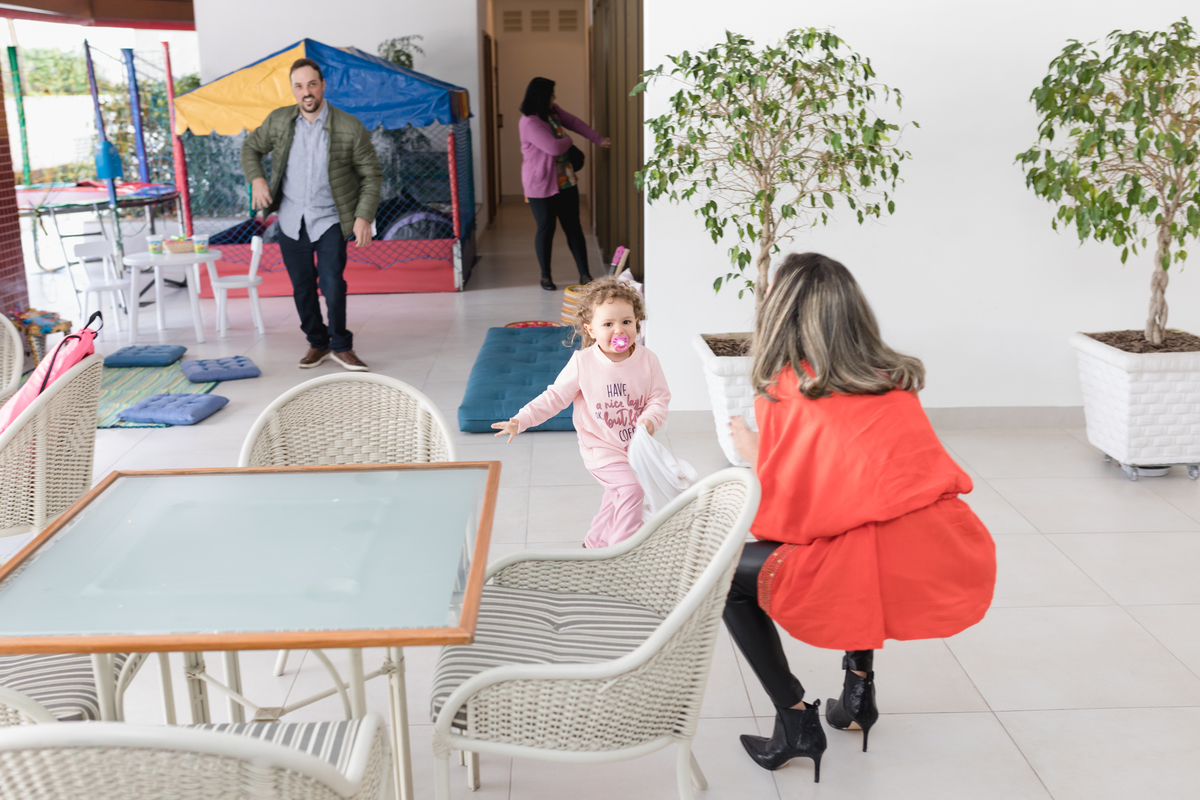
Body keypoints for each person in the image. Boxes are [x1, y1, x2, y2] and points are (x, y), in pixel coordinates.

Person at [725, 253, 996, 782]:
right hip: (936, 549)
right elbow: (867, 486)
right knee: (859, 529)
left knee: (727, 574)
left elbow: (792, 512)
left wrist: (757, 452)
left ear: (782, 311)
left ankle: (795, 721)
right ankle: (856, 694)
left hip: (864, 562)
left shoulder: (786, 387)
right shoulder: (891, 381)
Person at [492, 279, 669, 547]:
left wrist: (650, 419)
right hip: (600, 448)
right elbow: (555, 397)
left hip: (635, 446)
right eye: (608, 324)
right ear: (591, 329)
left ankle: (595, 542)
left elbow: (659, 397)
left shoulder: (648, 359)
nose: (619, 330)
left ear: (637, 323)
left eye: (626, 322)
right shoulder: (583, 363)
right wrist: (522, 420)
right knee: (632, 488)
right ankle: (624, 551)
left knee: (617, 494)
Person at [241, 58, 381, 371]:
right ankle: (317, 343)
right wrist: (257, 179)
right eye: (299, 86)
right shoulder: (279, 121)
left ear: (323, 86)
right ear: (293, 90)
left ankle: (341, 346)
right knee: (302, 287)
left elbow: (371, 175)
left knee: (332, 285)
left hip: (330, 218)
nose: (306, 92)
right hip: (291, 220)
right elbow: (250, 148)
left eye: (312, 84)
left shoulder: (349, 126)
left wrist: (363, 216)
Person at [519, 77, 610, 291]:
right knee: (546, 228)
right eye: (551, 95)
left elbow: (575, 123)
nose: (554, 98)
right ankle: (545, 277)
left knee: (574, 227)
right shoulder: (529, 122)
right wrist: (568, 140)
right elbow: (553, 147)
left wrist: (598, 139)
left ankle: (585, 274)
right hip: (540, 185)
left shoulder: (553, 112)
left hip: (566, 181)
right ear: (541, 97)